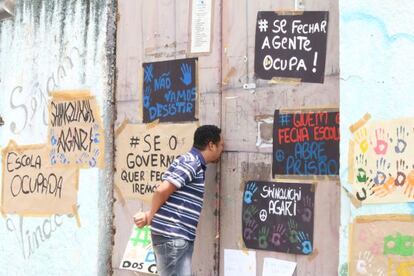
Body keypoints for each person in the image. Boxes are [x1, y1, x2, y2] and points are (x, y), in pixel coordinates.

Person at [134, 125, 224, 276]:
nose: (222, 150)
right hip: (173, 236)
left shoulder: (190, 161)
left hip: (175, 236)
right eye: (221, 145)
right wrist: (150, 216)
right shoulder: (192, 163)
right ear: (211, 145)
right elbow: (161, 191)